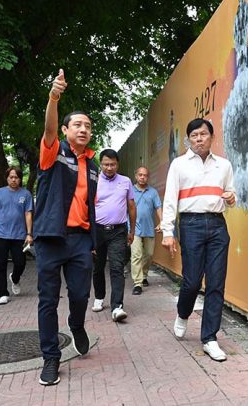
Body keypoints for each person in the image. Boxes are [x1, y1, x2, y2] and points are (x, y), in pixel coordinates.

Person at [33, 69, 98, 386]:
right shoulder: (53, 152)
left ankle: (76, 323)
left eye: (88, 126)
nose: (83, 129)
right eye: (77, 125)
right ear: (65, 129)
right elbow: (48, 129)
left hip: (80, 240)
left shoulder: (92, 164)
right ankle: (51, 358)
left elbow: (90, 204)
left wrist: (94, 239)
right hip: (50, 238)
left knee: (81, 294)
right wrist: (54, 97)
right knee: (48, 300)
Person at [161, 118, 236, 362]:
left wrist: (231, 198)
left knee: (216, 283)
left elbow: (231, 194)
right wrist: (168, 231)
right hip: (190, 224)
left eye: (203, 134)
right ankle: (183, 313)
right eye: (194, 135)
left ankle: (209, 338)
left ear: (211, 137)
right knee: (192, 281)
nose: (199, 139)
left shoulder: (224, 165)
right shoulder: (179, 164)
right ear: (189, 140)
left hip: (217, 225)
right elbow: (170, 199)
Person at [92, 149, 136, 322]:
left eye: (113, 164)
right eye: (106, 164)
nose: (109, 168)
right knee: (98, 266)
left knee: (117, 267)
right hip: (97, 230)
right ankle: (99, 296)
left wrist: (132, 230)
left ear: (118, 164)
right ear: (101, 164)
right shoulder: (94, 181)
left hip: (118, 231)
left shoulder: (125, 181)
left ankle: (117, 306)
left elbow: (131, 206)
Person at [0, 166, 34, 305]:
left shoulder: (26, 194)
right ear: (7, 178)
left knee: (20, 262)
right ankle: (3, 293)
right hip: (1, 234)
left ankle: (15, 278)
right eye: (11, 177)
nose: (13, 180)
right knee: (0, 264)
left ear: (20, 179)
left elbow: (28, 214)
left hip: (19, 235)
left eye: (16, 177)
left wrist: (29, 233)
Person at [130, 166, 162, 295]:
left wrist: (161, 221)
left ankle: (144, 275)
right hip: (133, 229)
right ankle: (137, 283)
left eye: (145, 175)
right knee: (136, 255)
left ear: (148, 177)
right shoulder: (130, 191)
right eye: (140, 175)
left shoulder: (153, 192)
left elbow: (158, 207)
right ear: (136, 176)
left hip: (149, 228)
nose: (142, 177)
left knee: (149, 255)